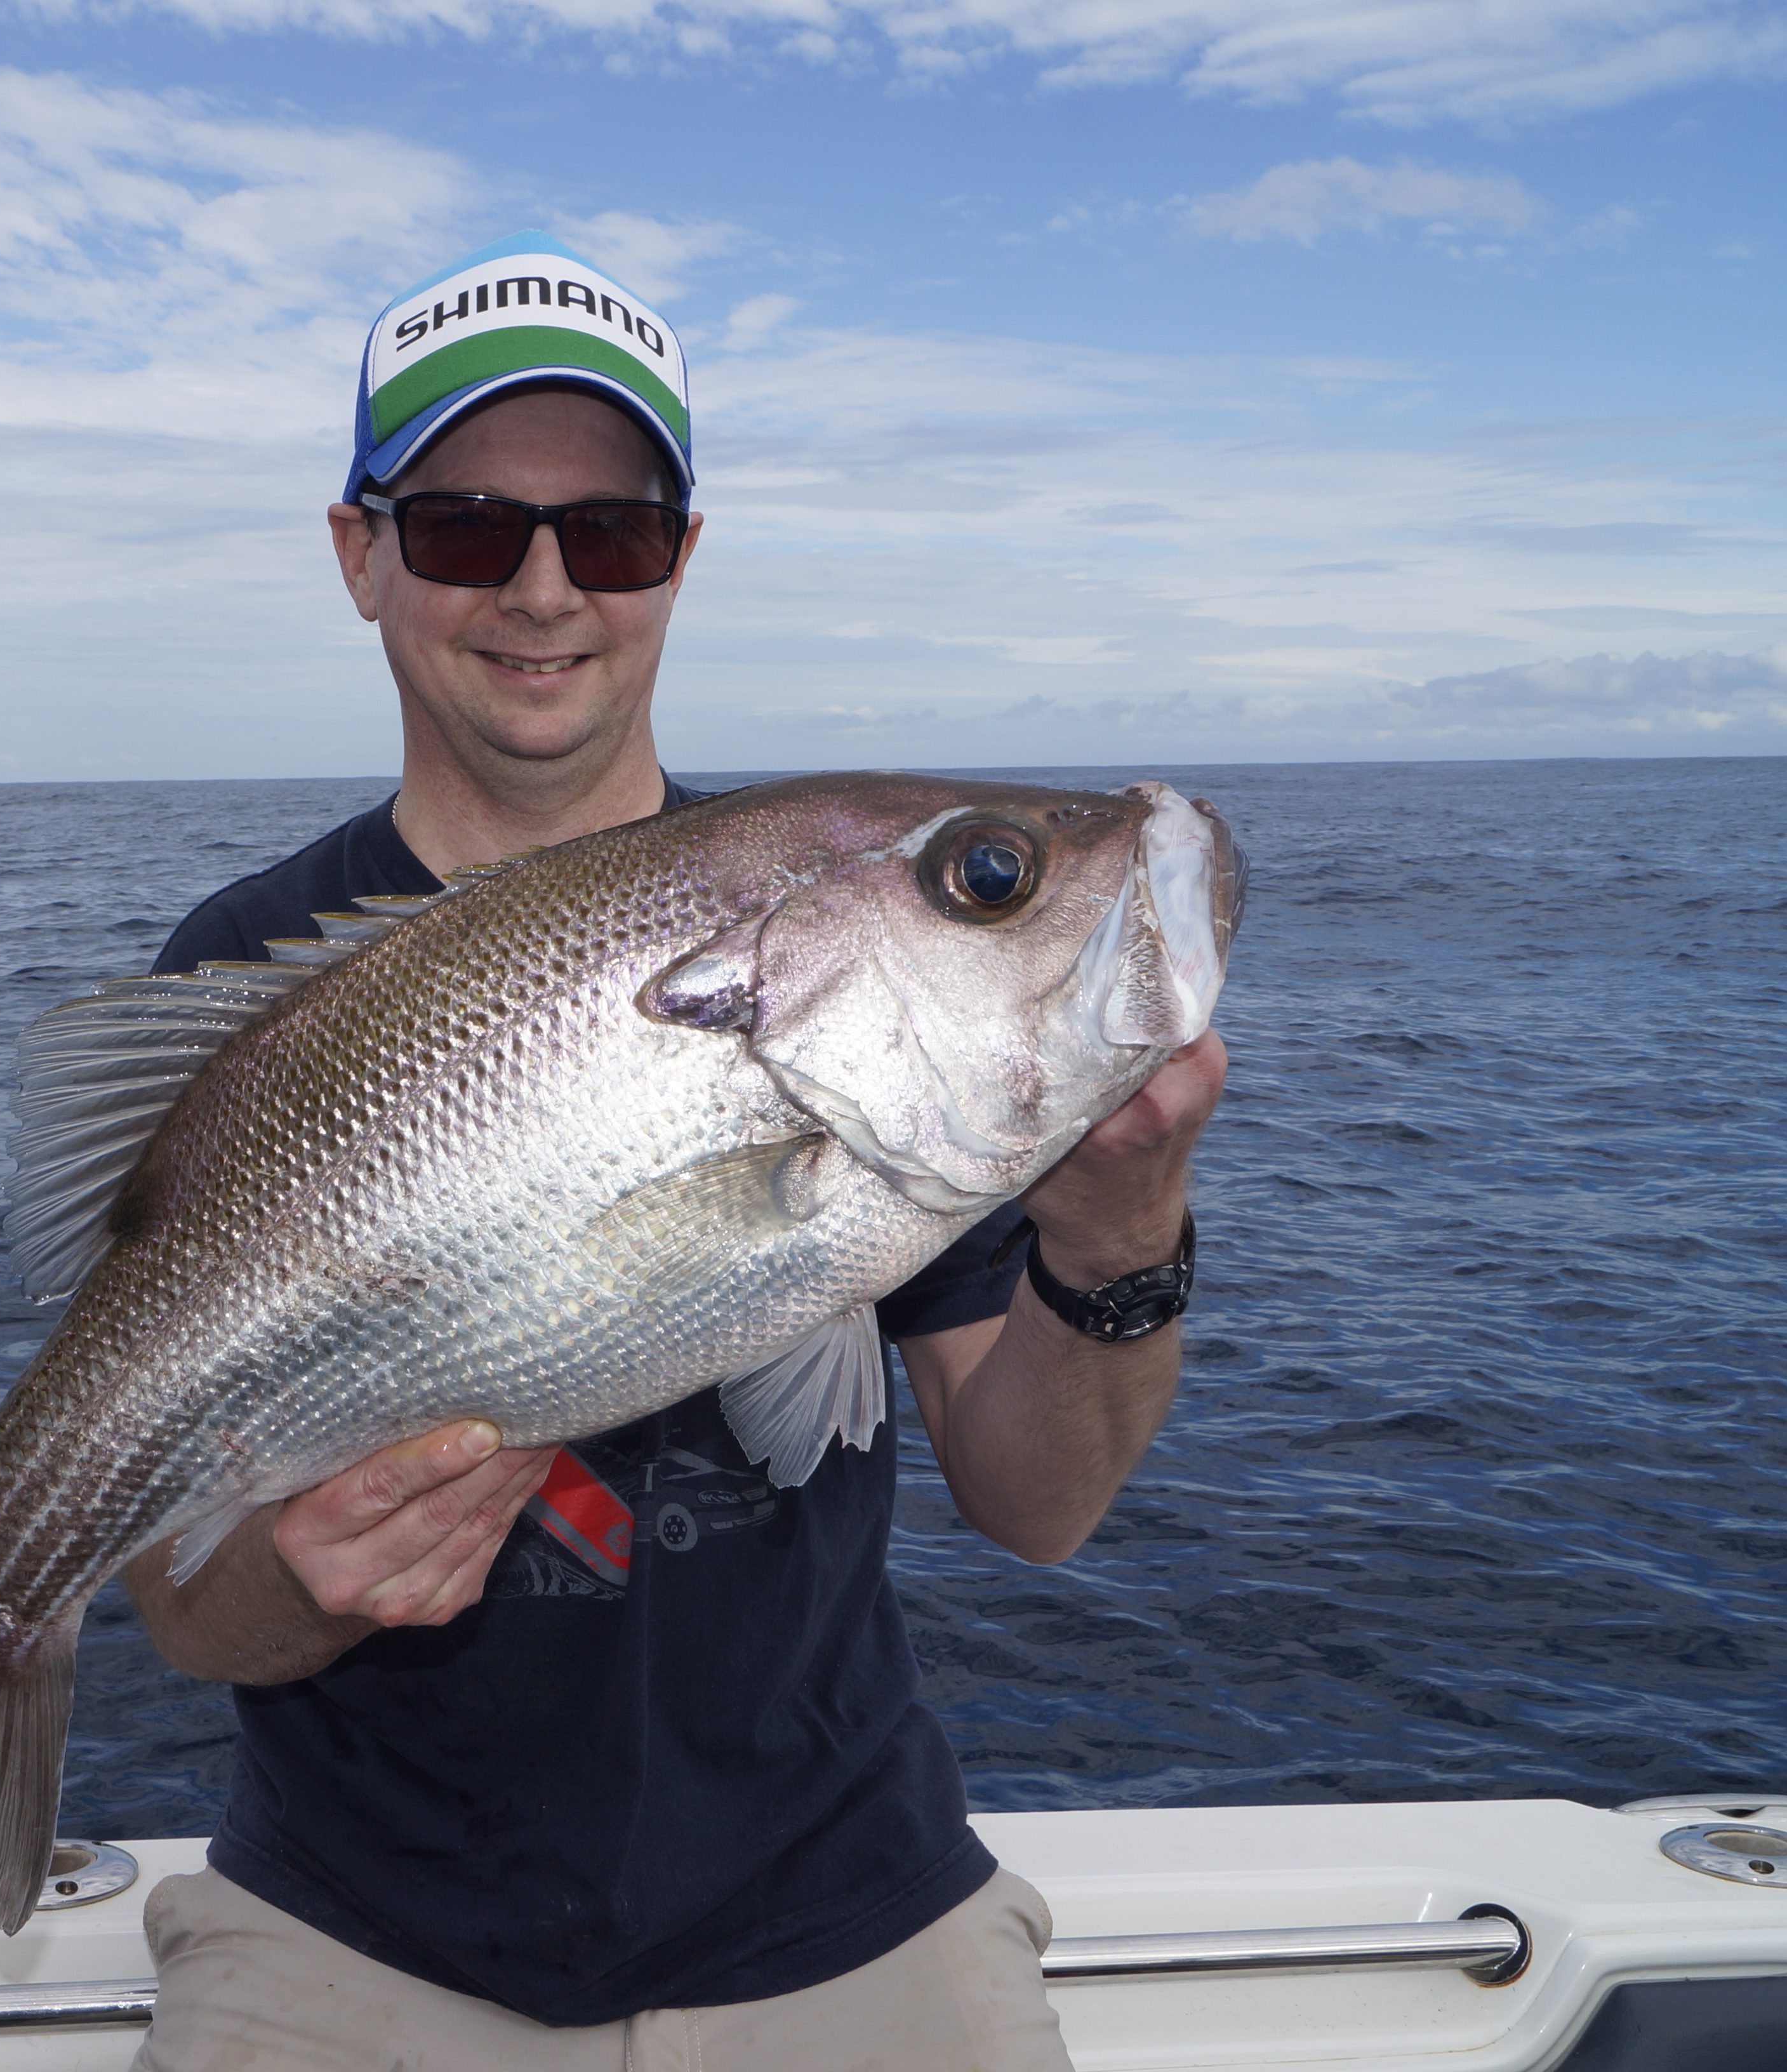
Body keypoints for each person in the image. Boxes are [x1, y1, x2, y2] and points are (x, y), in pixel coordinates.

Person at [118, 233, 1228, 2070]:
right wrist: (299, 1581)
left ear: (682, 563)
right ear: (360, 556)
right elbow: (186, 1606)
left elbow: (1042, 1511)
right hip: (354, 1924)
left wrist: (1116, 1242)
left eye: (615, 533)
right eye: (471, 526)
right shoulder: (238, 980)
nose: (547, 589)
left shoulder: (879, 1021)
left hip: (845, 1898)